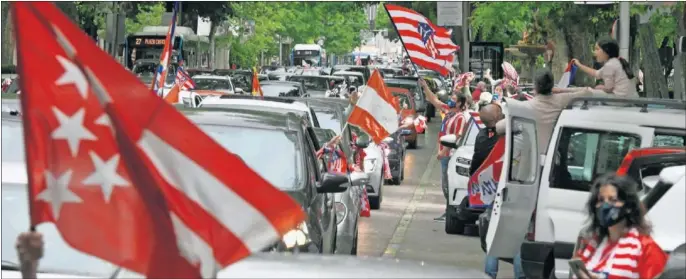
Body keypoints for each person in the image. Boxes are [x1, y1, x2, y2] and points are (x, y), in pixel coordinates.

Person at [574, 173, 668, 279]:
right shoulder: (592, 244)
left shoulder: (646, 248)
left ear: (628, 207)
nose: (605, 206)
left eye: (613, 200)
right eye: (601, 200)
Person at [497, 69, 607, 154]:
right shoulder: (561, 100)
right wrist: (562, 90)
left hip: (533, 164)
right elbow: (587, 92)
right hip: (555, 156)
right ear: (552, 84)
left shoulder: (526, 107)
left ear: (535, 86)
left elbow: (499, 127)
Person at [420, 79, 468, 222]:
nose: (451, 101)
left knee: (448, 184)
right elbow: (434, 101)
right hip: (445, 154)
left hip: (450, 154)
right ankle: (449, 210)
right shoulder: (448, 111)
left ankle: (451, 211)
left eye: (454, 99)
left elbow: (457, 136)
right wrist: (425, 87)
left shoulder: (460, 117)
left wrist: (444, 150)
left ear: (459, 103)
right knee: (445, 184)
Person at [571, 38, 639, 98]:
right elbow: (596, 73)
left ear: (606, 51)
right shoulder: (616, 61)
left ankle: (562, 92)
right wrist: (579, 65)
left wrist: (601, 87)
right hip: (629, 98)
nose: (594, 52)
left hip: (620, 100)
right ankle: (562, 90)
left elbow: (609, 89)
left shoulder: (610, 65)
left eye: (597, 49)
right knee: (588, 90)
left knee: (588, 91)